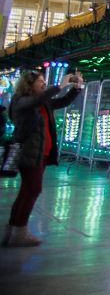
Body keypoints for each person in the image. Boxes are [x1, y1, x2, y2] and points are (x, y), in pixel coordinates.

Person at [5, 69, 84, 247]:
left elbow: (63, 101)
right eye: (40, 81)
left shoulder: (42, 102)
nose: (43, 83)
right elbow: (37, 100)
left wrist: (77, 87)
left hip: (42, 153)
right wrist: (60, 85)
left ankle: (14, 230)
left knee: (27, 191)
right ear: (29, 85)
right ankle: (19, 231)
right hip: (29, 153)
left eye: (43, 80)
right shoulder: (22, 101)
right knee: (32, 190)